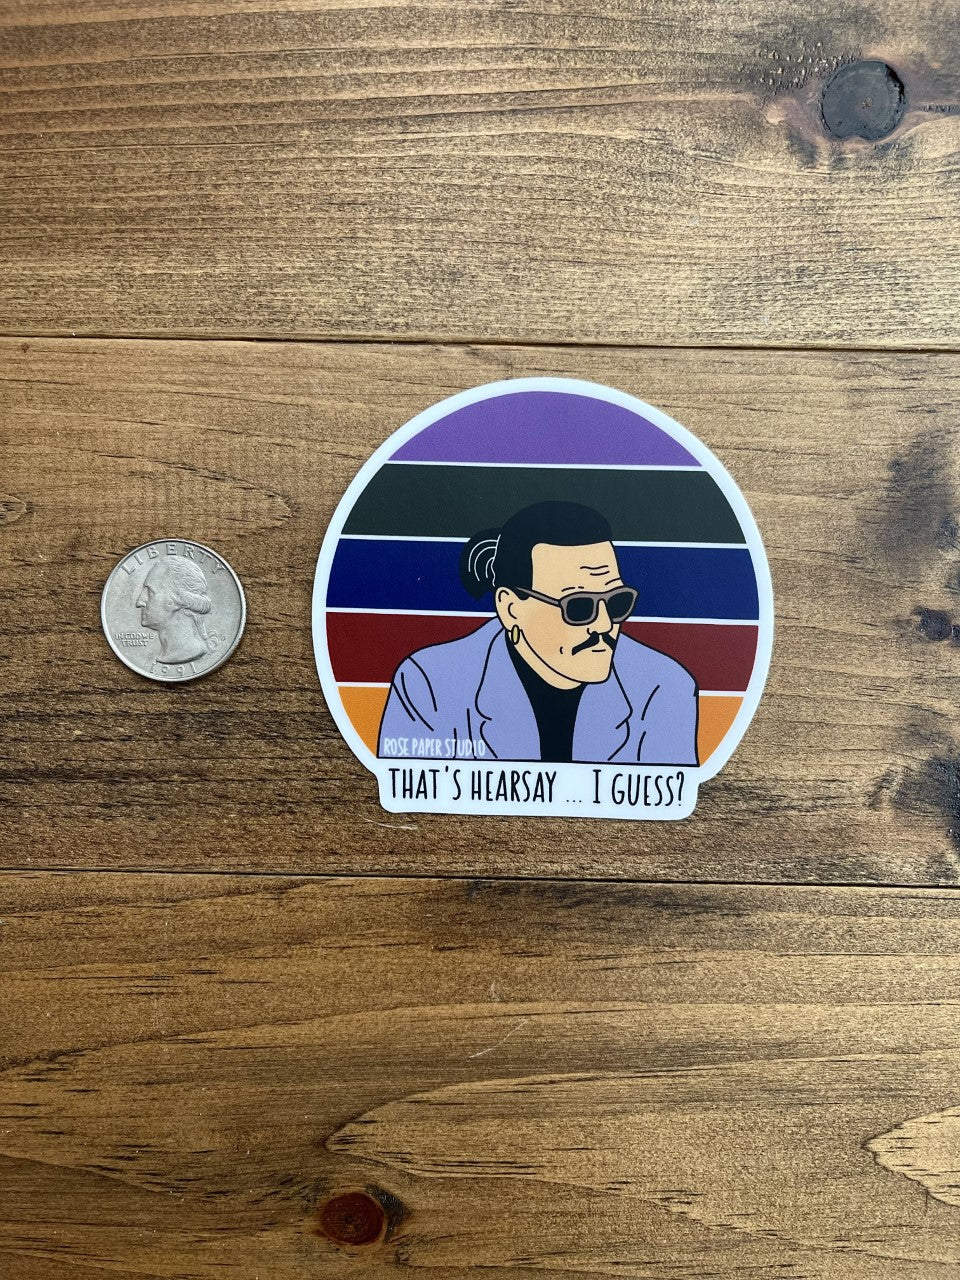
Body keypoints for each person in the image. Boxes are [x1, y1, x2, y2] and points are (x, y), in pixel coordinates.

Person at [378, 501, 699, 764]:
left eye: (617, 602)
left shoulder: (664, 689)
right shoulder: (428, 686)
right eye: (579, 606)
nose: (604, 625)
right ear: (511, 608)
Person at [135, 558, 216, 665]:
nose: (139, 602)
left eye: (150, 592)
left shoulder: (187, 653)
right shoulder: (170, 654)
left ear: (174, 601)